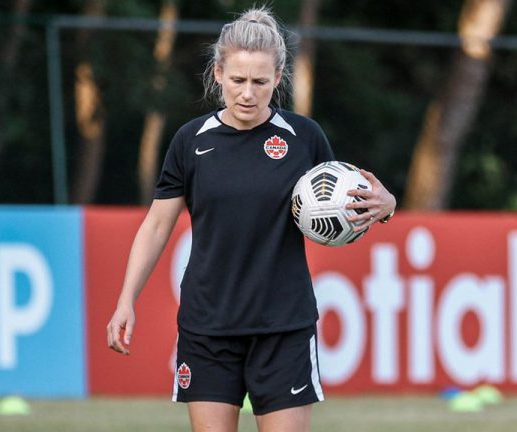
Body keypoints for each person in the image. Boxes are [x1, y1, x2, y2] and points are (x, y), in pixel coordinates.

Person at [107, 6, 397, 432]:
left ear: (278, 79)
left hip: (284, 325)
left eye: (260, 82)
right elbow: (155, 226)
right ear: (218, 73)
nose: (248, 93)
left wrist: (386, 205)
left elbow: (346, 205)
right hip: (207, 326)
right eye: (238, 80)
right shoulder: (190, 141)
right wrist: (125, 299)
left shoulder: (304, 138)